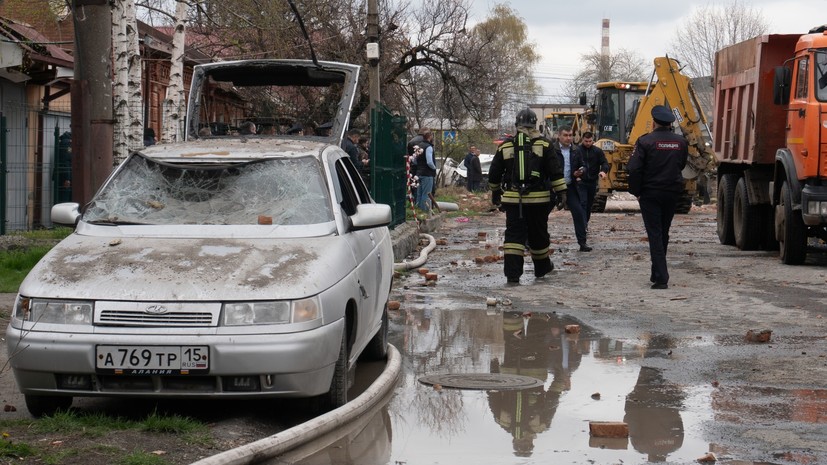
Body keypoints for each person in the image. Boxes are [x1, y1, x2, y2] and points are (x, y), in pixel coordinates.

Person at [488, 108, 567, 284]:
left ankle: (513, 275)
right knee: (538, 234)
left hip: (514, 201)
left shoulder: (506, 146)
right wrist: (562, 193)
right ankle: (542, 268)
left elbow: (494, 174)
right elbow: (555, 172)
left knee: (514, 237)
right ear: (535, 125)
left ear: (516, 125)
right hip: (539, 201)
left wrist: (495, 192)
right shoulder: (545, 145)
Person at [627, 105, 689, 290]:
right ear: (670, 123)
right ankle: (656, 273)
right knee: (663, 231)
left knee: (654, 233)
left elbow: (634, 168)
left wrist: (636, 191)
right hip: (672, 192)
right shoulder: (681, 142)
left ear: (654, 122)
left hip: (651, 193)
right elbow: (682, 164)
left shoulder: (645, 141)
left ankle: (662, 277)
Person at [555, 126, 591, 251]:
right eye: (565, 135)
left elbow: (583, 166)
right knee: (541, 214)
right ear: (558, 136)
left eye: (570, 135)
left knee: (579, 213)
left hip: (570, 186)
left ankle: (582, 243)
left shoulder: (576, 150)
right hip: (553, 186)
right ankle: (531, 241)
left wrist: (581, 171)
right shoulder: (552, 149)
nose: (568, 138)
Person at [576, 131, 610, 225]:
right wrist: (575, 175)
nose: (588, 143)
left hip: (592, 181)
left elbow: (604, 163)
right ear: (582, 140)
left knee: (589, 204)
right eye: (586, 141)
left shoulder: (597, 151)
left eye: (590, 141)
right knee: (583, 203)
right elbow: (572, 164)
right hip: (580, 181)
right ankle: (583, 225)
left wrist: (603, 171)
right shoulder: (577, 150)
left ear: (593, 140)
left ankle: (585, 222)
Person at [414, 129, 437, 213]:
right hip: (427, 173)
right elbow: (429, 161)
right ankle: (425, 211)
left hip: (419, 173)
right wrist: (434, 168)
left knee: (419, 193)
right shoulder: (428, 147)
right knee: (426, 193)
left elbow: (414, 160)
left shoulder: (418, 146)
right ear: (430, 137)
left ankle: (418, 210)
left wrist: (420, 166)